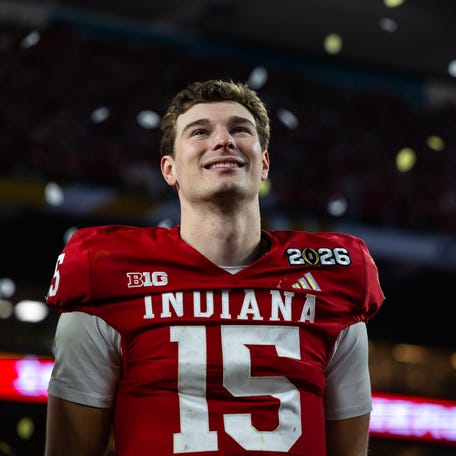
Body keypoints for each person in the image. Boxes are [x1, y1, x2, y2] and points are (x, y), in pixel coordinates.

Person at [45, 79, 384, 456]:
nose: (223, 140)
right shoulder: (106, 272)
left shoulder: (335, 279)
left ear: (264, 163)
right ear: (169, 170)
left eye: (239, 129)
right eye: (200, 131)